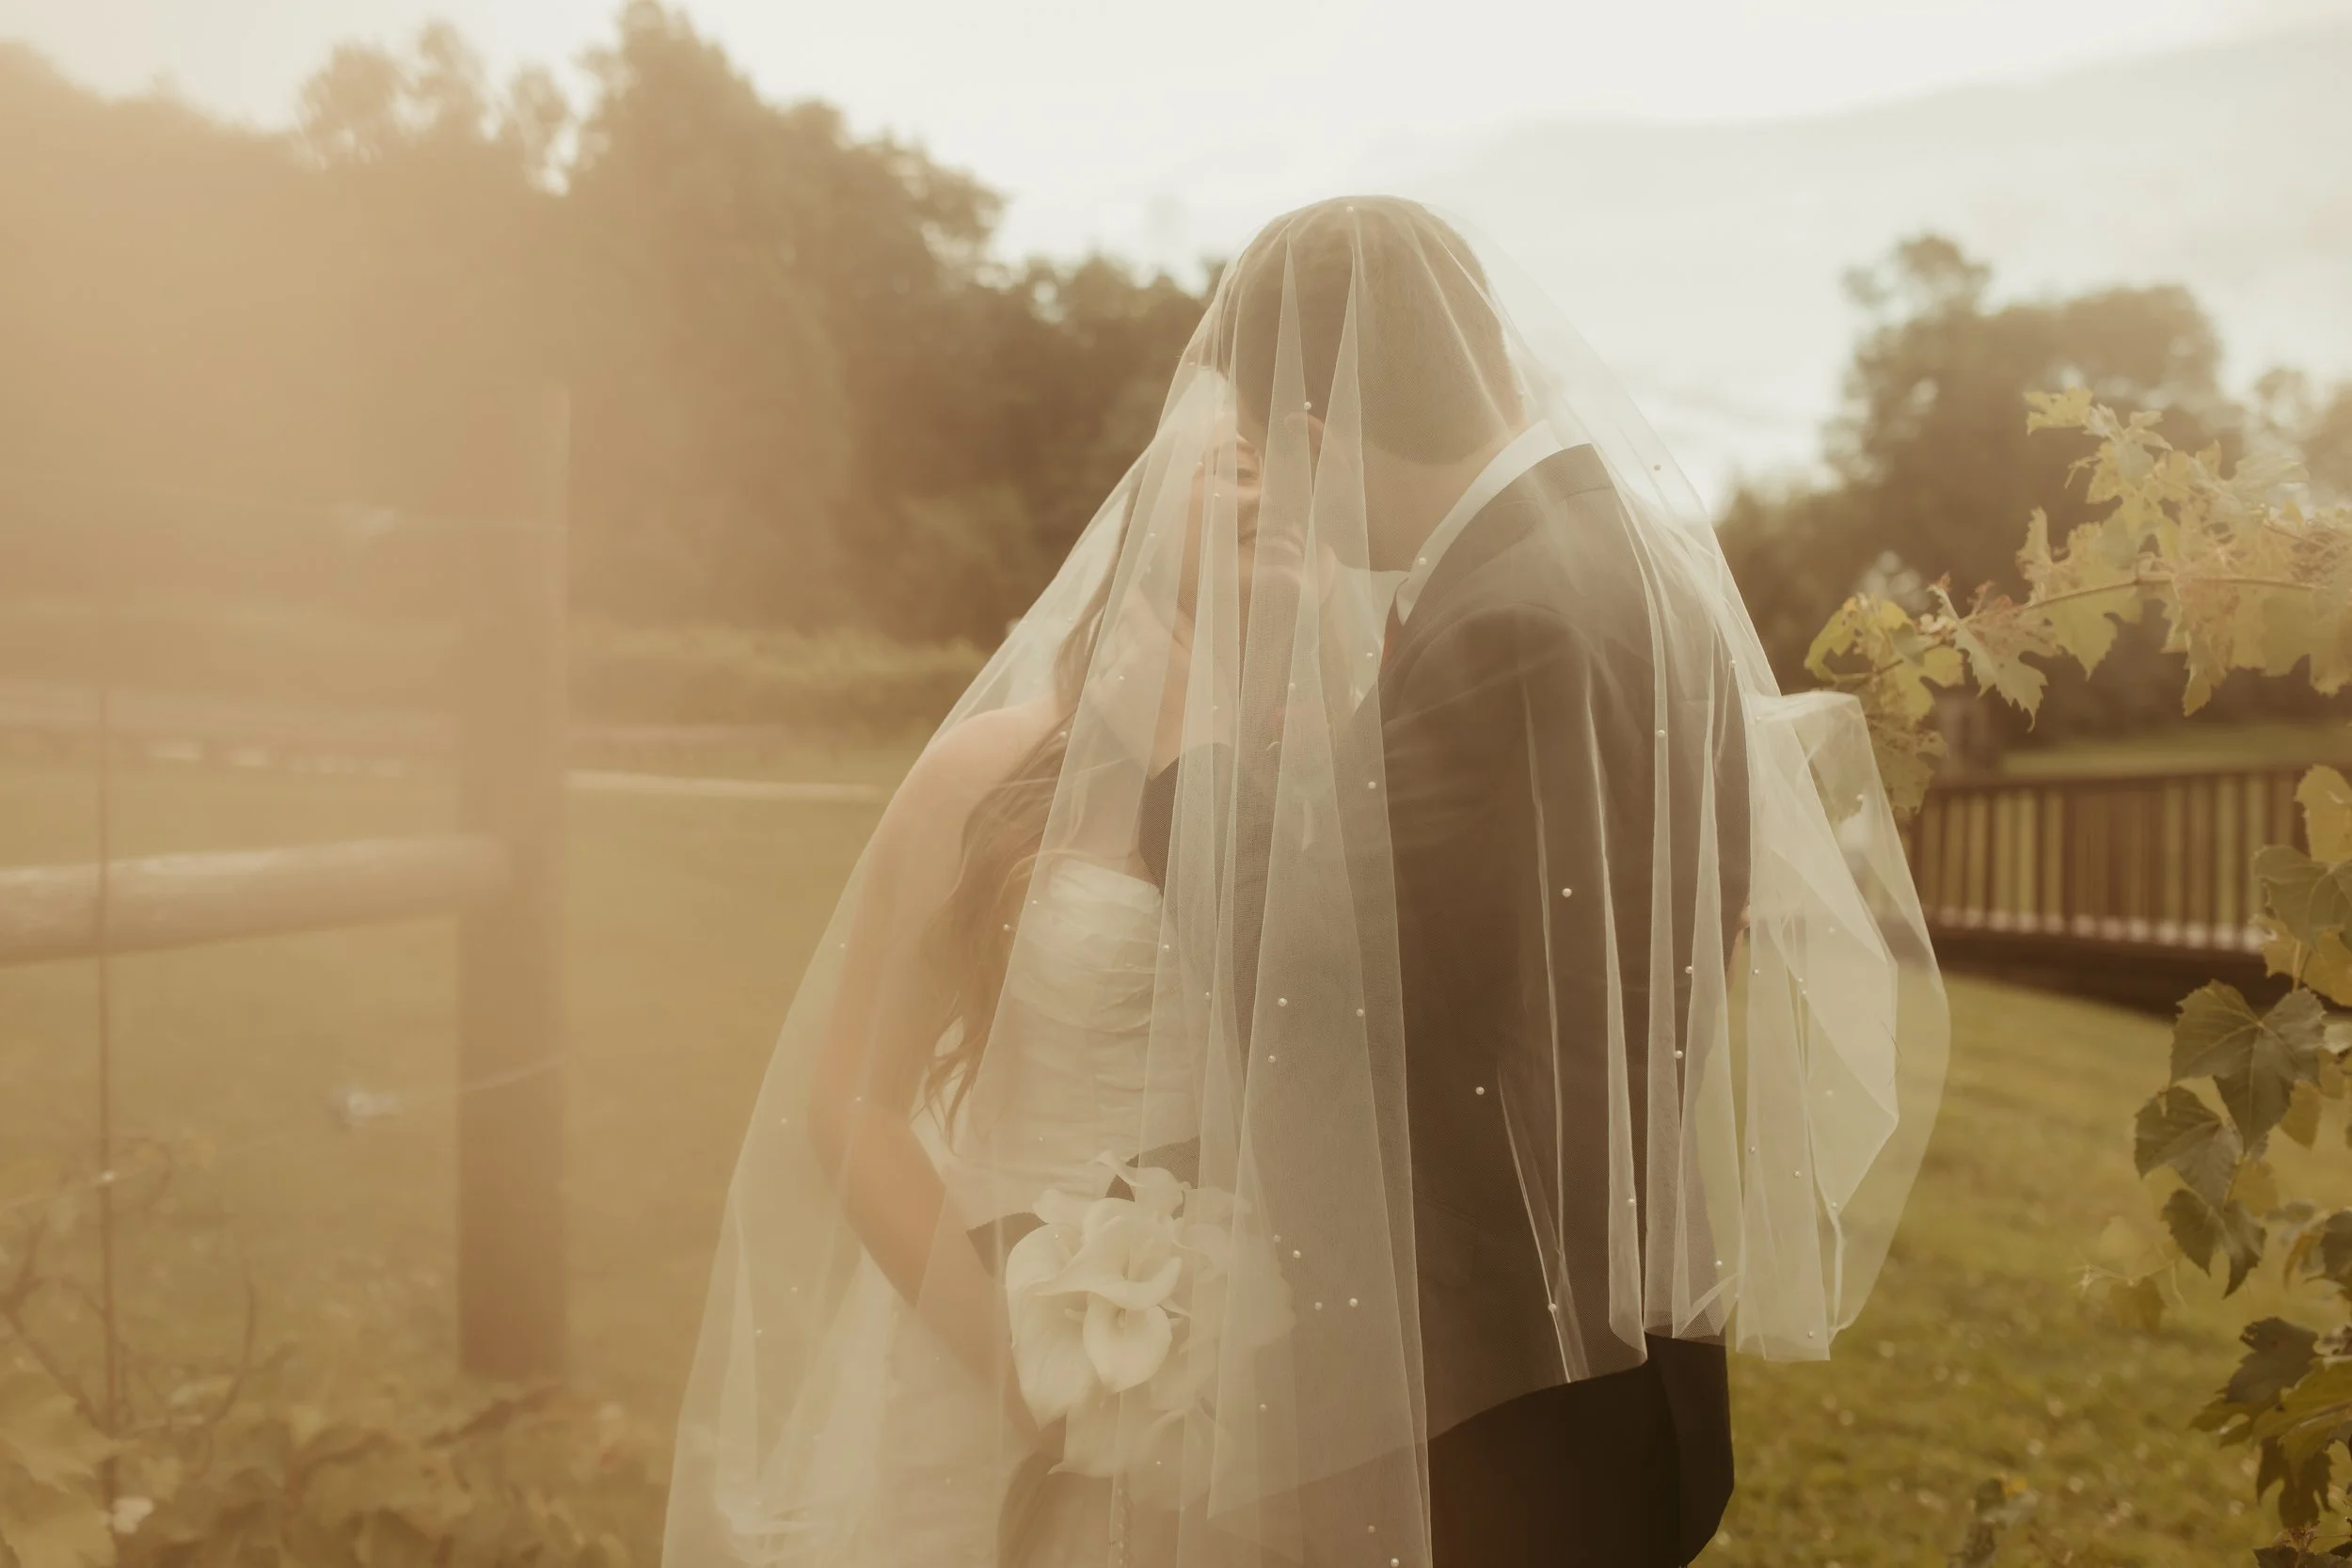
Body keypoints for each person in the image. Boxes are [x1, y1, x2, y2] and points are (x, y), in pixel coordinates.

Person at [663, 197, 1948, 1568]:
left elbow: (1359, 990)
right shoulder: (1008, 766)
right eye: (1228, 468)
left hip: (1390, 1419)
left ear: (1327, 469)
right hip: (1149, 1377)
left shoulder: (1424, 693)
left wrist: (1188, 754)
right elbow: (853, 1094)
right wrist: (1042, 1364)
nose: (1265, 500)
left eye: (1280, 469)